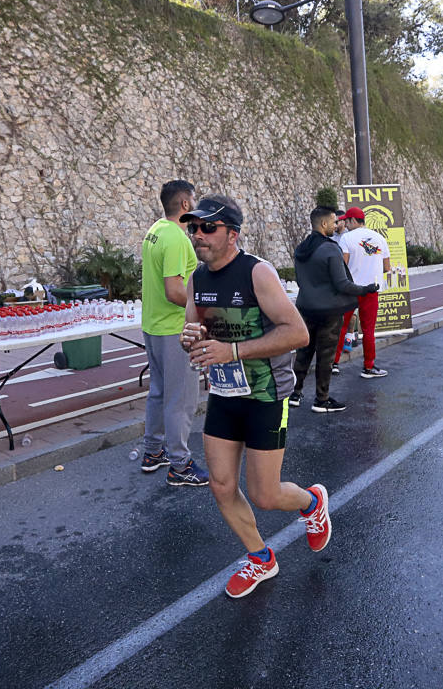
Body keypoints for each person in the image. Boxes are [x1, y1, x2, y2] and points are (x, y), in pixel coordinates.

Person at [179, 195, 329, 599]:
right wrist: (191, 338)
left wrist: (232, 351)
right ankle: (260, 557)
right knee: (221, 484)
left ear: (233, 234)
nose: (198, 235)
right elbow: (195, 330)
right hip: (225, 394)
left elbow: (298, 334)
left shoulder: (257, 273)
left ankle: (312, 502)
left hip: (266, 395)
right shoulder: (198, 279)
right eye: (194, 227)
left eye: (208, 227)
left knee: (265, 494)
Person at [139, 180, 209, 486]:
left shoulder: (154, 231)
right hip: (173, 330)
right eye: (193, 200)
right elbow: (174, 291)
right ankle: (180, 465)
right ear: (185, 205)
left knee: (158, 392)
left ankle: (153, 451)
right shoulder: (178, 239)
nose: (195, 204)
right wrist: (204, 309)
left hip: (153, 326)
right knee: (181, 400)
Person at [290, 206, 378, 413]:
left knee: (303, 352)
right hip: (328, 311)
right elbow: (342, 284)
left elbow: (301, 280)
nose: (337, 224)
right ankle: (322, 399)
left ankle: (295, 393)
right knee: (325, 356)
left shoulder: (301, 248)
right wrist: (365, 289)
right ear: (323, 224)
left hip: (304, 307)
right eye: (333, 221)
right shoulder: (330, 249)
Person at [333, 207, 390, 378]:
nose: (345, 224)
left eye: (346, 221)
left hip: (350, 289)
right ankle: (368, 367)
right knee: (368, 329)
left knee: (341, 327)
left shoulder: (346, 238)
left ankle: (333, 363)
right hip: (371, 290)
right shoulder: (380, 238)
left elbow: (343, 265)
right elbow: (387, 267)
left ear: (351, 221)